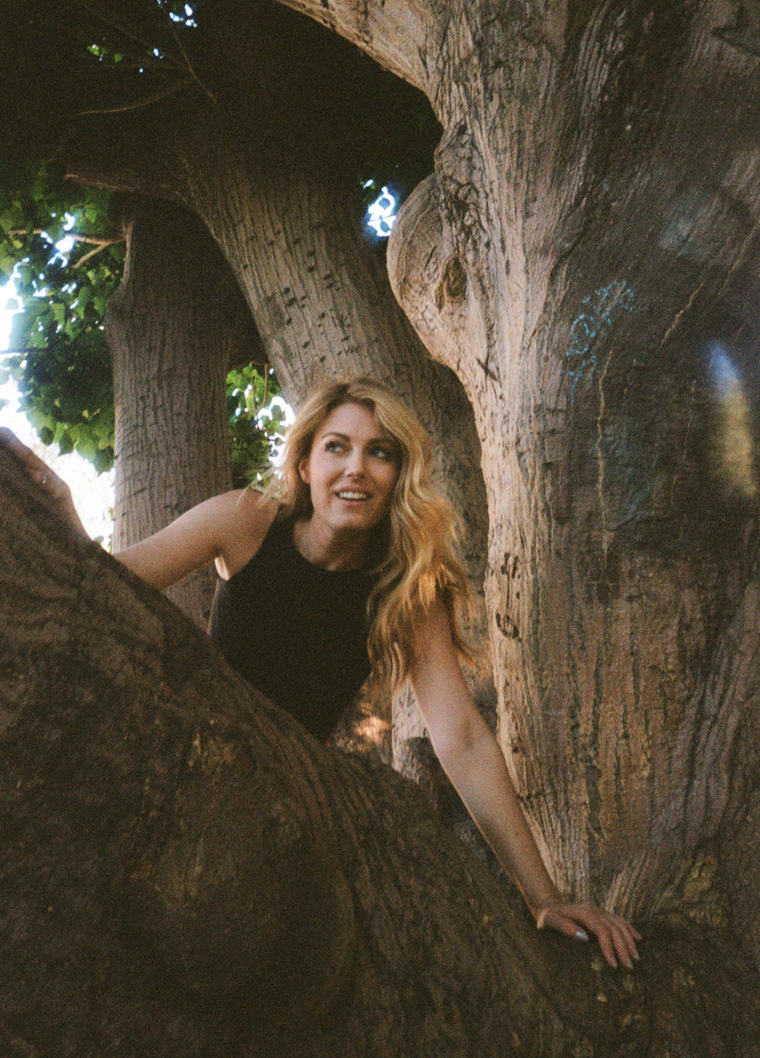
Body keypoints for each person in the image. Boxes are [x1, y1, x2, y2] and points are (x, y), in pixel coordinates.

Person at [0, 376, 641, 969]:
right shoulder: (244, 521)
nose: (356, 467)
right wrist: (63, 519)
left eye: (380, 452)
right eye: (337, 447)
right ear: (306, 466)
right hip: (171, 752)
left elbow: (464, 738)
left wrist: (543, 897)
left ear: (398, 476)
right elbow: (114, 589)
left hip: (272, 799)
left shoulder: (408, 587)